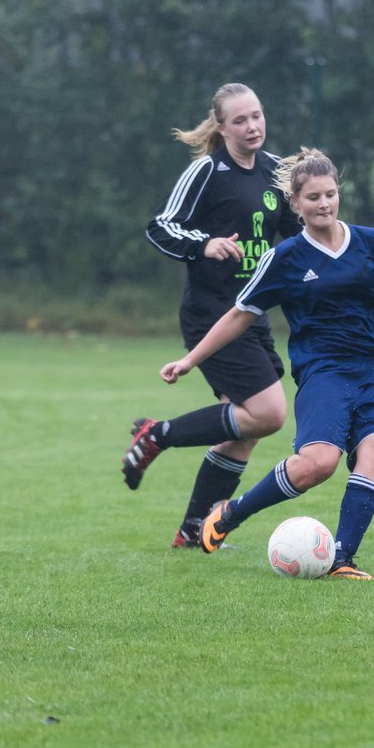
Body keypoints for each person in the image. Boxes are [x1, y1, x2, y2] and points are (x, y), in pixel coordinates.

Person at [159, 147, 374, 579]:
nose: (324, 204)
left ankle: (341, 558)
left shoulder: (373, 242)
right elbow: (239, 313)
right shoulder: (285, 257)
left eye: (330, 194)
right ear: (296, 203)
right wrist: (191, 360)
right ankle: (230, 512)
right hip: (324, 372)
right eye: (313, 198)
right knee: (318, 464)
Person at [124, 83, 304, 549]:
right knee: (267, 414)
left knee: (243, 430)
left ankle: (193, 531)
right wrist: (204, 244)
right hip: (211, 315)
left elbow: (294, 236)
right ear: (221, 127)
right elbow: (160, 227)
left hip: (251, 315)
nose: (252, 126)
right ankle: (157, 435)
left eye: (257, 115)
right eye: (240, 120)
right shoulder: (207, 171)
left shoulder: (275, 172)